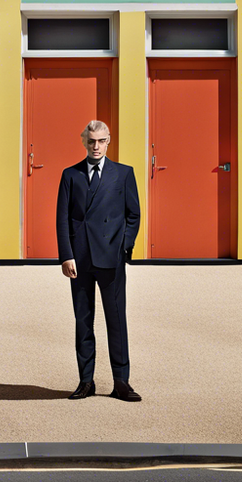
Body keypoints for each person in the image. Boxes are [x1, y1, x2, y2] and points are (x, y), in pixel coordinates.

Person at [55, 120, 141, 402]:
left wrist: (123, 248)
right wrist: (66, 255)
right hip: (79, 258)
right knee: (83, 321)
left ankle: (121, 382)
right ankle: (85, 381)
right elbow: (62, 218)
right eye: (91, 141)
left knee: (116, 320)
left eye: (101, 141)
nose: (96, 146)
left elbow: (133, 214)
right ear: (84, 142)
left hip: (111, 257)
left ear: (108, 141)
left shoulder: (124, 173)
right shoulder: (70, 175)